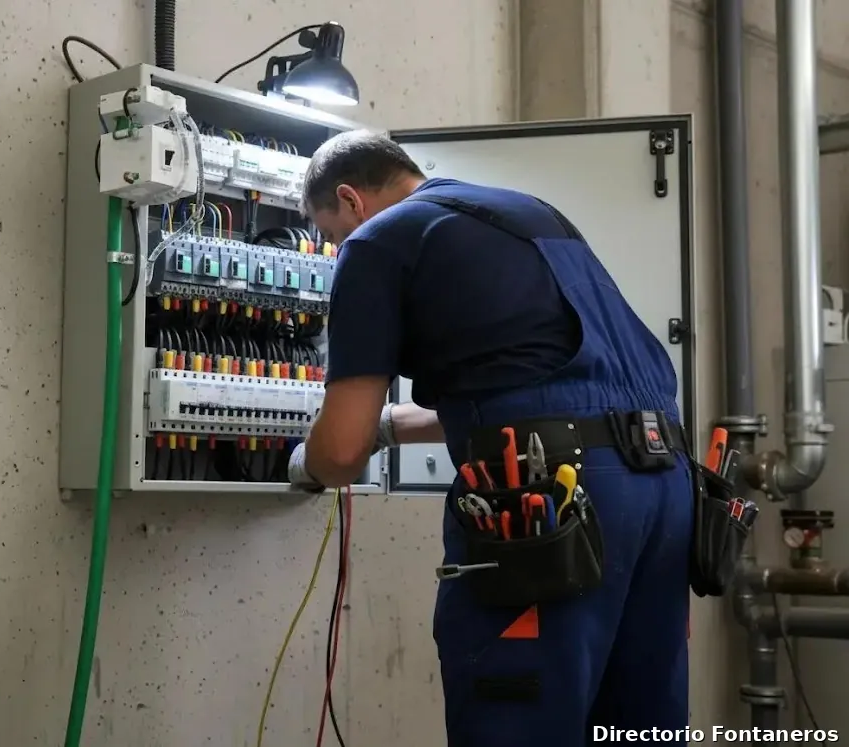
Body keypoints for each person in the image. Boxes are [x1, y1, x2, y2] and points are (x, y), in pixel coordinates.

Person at [286, 130, 693, 747]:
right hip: (663, 483)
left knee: (516, 716)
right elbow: (542, 390)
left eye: (332, 234)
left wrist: (307, 464)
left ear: (350, 200)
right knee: (636, 723)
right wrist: (391, 428)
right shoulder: (529, 213)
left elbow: (340, 453)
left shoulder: (375, 242)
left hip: (552, 506)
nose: (338, 247)